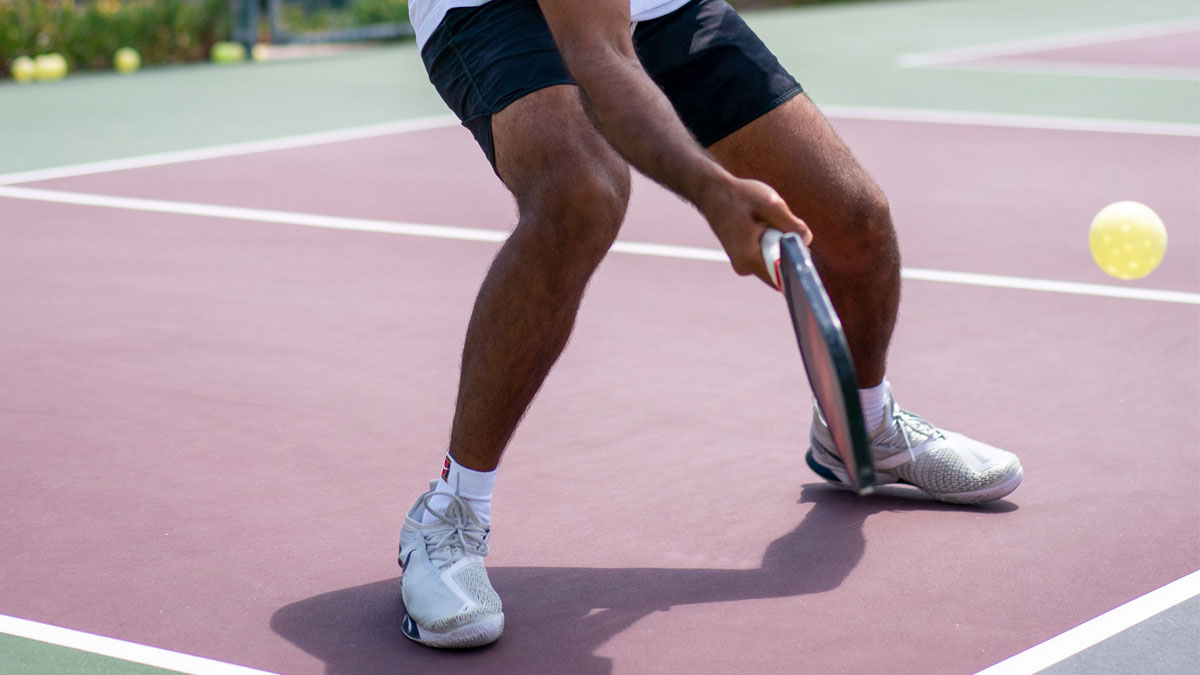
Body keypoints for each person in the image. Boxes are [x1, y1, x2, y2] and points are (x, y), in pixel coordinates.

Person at [396, 0, 1023, 649]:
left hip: (657, 9)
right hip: (498, 12)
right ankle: (450, 513)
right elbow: (598, 53)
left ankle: (859, 427)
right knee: (581, 194)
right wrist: (714, 190)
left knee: (853, 215)